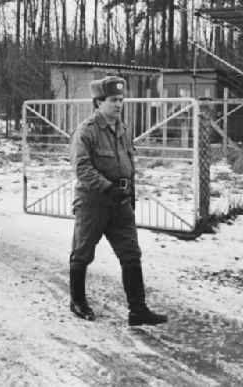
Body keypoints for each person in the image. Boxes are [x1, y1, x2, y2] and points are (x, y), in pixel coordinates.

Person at [68, 76, 167, 326]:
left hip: (121, 202)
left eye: (121, 100)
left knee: (131, 254)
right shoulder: (86, 131)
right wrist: (107, 188)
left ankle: (138, 309)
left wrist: (129, 194)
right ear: (98, 102)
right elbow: (82, 168)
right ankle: (78, 301)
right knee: (82, 252)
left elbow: (129, 164)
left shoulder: (123, 129)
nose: (119, 104)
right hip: (93, 203)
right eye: (113, 100)